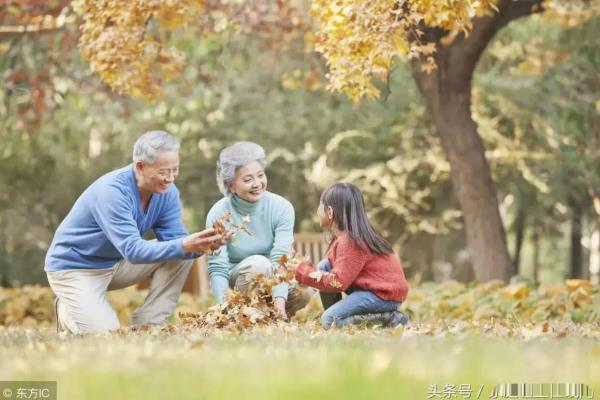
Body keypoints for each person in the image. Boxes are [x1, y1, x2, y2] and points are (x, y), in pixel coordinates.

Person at [45, 130, 228, 334]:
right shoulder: (112, 192)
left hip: (115, 265)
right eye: (163, 172)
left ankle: (150, 323)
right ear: (140, 166)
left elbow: (177, 242)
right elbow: (133, 251)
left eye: (175, 170)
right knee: (104, 333)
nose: (170, 178)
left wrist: (202, 245)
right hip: (74, 269)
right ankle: (66, 310)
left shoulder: (167, 193)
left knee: (182, 254)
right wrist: (185, 244)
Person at [206, 141, 314, 320]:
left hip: (273, 274)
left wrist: (279, 304)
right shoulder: (219, 213)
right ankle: (242, 314)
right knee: (259, 264)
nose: (257, 183)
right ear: (230, 185)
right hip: (239, 279)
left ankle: (273, 318)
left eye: (260, 175)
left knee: (304, 289)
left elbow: (281, 258)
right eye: (248, 179)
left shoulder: (282, 207)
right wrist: (222, 307)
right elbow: (218, 266)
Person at [294, 183, 409, 329]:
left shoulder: (351, 242)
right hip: (374, 291)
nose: (317, 210)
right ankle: (335, 315)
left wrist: (304, 273)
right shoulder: (345, 238)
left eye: (320, 205)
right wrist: (306, 277)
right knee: (324, 266)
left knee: (329, 321)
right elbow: (328, 273)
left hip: (382, 295)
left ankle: (389, 319)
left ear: (329, 212)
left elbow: (338, 282)